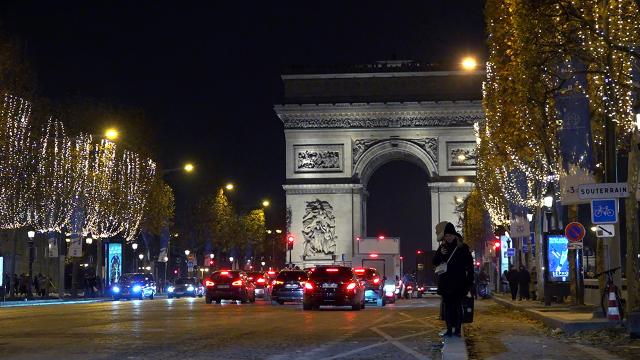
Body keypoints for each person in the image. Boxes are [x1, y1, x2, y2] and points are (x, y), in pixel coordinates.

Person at [433, 222, 474, 337]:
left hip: (459, 282)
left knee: (457, 306)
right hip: (446, 282)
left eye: (450, 235)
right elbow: (435, 262)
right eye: (446, 236)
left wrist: (470, 282)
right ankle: (449, 329)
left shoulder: (463, 247)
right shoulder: (442, 247)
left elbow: (470, 265)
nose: (448, 238)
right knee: (447, 307)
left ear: (455, 235)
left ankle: (457, 330)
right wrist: (440, 254)